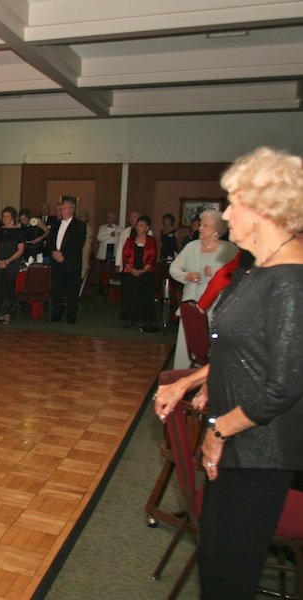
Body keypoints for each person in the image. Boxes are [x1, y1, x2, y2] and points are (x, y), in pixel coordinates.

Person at [155, 147, 303, 600]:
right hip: (240, 440)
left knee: (228, 578)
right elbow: (248, 350)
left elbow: (286, 382)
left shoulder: (291, 283)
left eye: (234, 203)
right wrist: (192, 381)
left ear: (265, 209)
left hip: (259, 452)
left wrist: (220, 429)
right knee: (218, 565)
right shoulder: (262, 269)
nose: (223, 214)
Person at [169, 209, 238, 369]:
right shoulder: (191, 247)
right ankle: (183, 375)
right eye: (200, 224)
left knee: (211, 344)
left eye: (205, 225)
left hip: (217, 305)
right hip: (192, 304)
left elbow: (237, 278)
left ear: (216, 229)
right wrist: (187, 276)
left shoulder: (230, 250)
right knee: (188, 341)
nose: (200, 228)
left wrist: (215, 274)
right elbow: (174, 269)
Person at [45, 199, 86, 324]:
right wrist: (55, 253)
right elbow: (50, 241)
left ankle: (71, 318)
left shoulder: (79, 225)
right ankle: (56, 315)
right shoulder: (56, 224)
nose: (61, 211)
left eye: (64, 208)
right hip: (56, 262)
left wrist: (62, 253)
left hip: (71, 263)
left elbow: (78, 243)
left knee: (71, 291)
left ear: (72, 210)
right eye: (61, 209)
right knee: (57, 290)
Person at [119, 215, 158, 331]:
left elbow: (152, 257)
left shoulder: (152, 241)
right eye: (137, 225)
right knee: (130, 295)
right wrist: (131, 269)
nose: (138, 227)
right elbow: (125, 255)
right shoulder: (129, 240)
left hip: (145, 273)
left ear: (147, 228)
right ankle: (129, 318)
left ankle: (144, 320)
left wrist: (142, 270)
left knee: (144, 296)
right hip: (130, 272)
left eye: (141, 225)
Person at [0, 207, 25, 324]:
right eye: (3, 216)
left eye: (8, 216)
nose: (5, 219)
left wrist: (7, 261)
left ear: (13, 218)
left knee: (8, 286)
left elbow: (20, 250)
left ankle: (7, 313)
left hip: (11, 263)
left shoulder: (18, 231)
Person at [77, 210, 94, 278]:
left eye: (83, 217)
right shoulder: (75, 227)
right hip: (77, 249)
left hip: (85, 249)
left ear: (86, 218)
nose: (81, 218)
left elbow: (90, 239)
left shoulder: (89, 228)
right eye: (80, 216)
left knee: (84, 266)